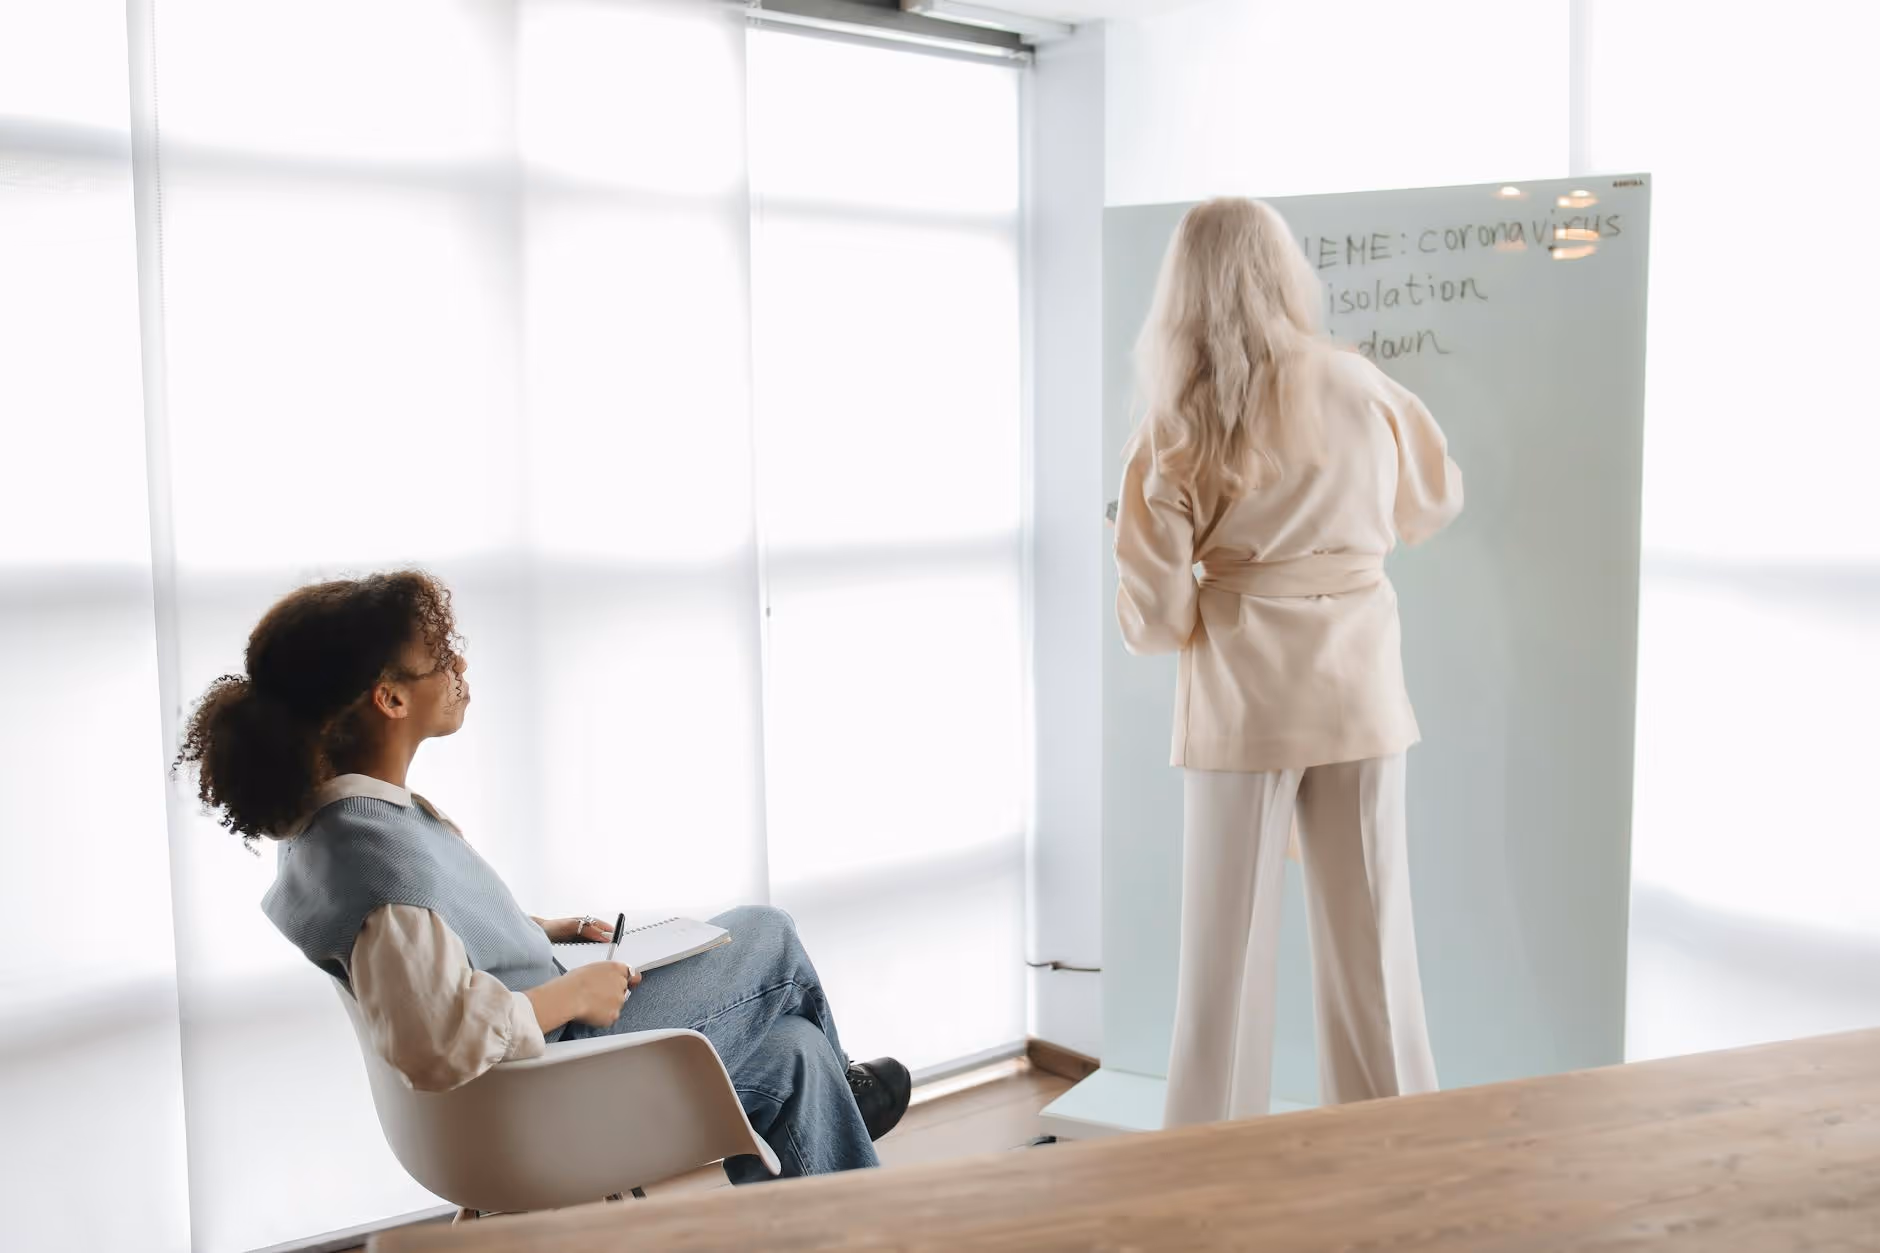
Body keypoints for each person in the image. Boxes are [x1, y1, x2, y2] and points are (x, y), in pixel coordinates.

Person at [175, 571, 909, 1183]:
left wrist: (538, 932)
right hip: (549, 1095)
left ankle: (845, 1174)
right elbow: (435, 1041)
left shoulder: (342, 829)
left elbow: (436, 956)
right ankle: (855, 1089)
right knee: (769, 934)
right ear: (389, 698)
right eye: (442, 660)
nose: (461, 671)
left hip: (537, 1084)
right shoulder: (376, 868)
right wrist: (573, 990)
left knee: (794, 1056)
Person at [1113, 198, 1463, 1128]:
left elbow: (1156, 620)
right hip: (1360, 690)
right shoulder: (1362, 385)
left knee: (1222, 966)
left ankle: (1211, 1171)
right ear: (1282, 270)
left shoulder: (1176, 419)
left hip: (1241, 701)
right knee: (1377, 950)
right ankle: (1398, 1161)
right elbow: (1432, 502)